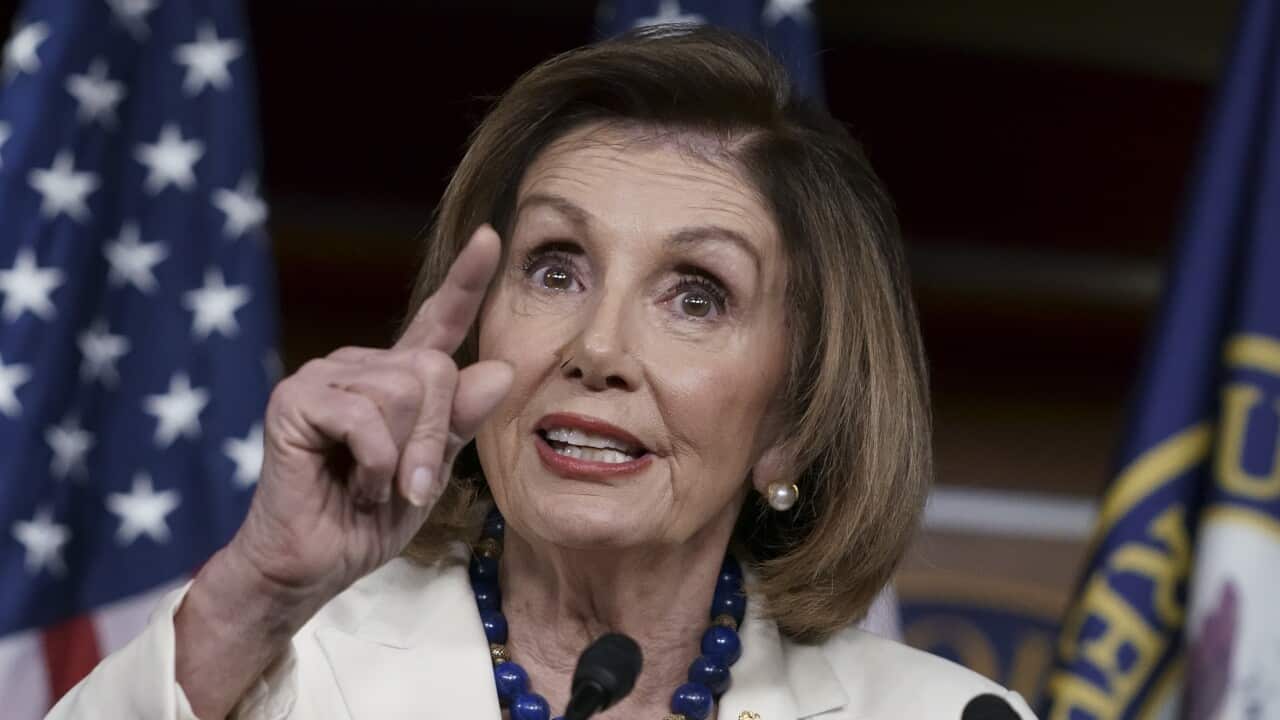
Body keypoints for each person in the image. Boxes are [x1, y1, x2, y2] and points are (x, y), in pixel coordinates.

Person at [48, 25, 1037, 720]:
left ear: (793, 418)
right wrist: (254, 595)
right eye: (556, 269)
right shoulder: (282, 672)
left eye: (696, 296)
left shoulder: (946, 715)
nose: (596, 349)